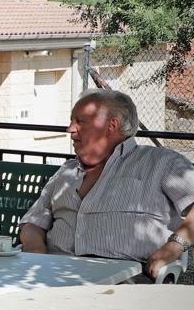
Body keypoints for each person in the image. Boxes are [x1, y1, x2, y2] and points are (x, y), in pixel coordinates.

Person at [19, 90, 194, 280]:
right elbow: (32, 224)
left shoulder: (160, 162)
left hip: (125, 278)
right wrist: (36, 258)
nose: (70, 129)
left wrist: (172, 248)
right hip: (56, 273)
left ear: (112, 125)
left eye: (80, 121)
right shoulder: (66, 171)